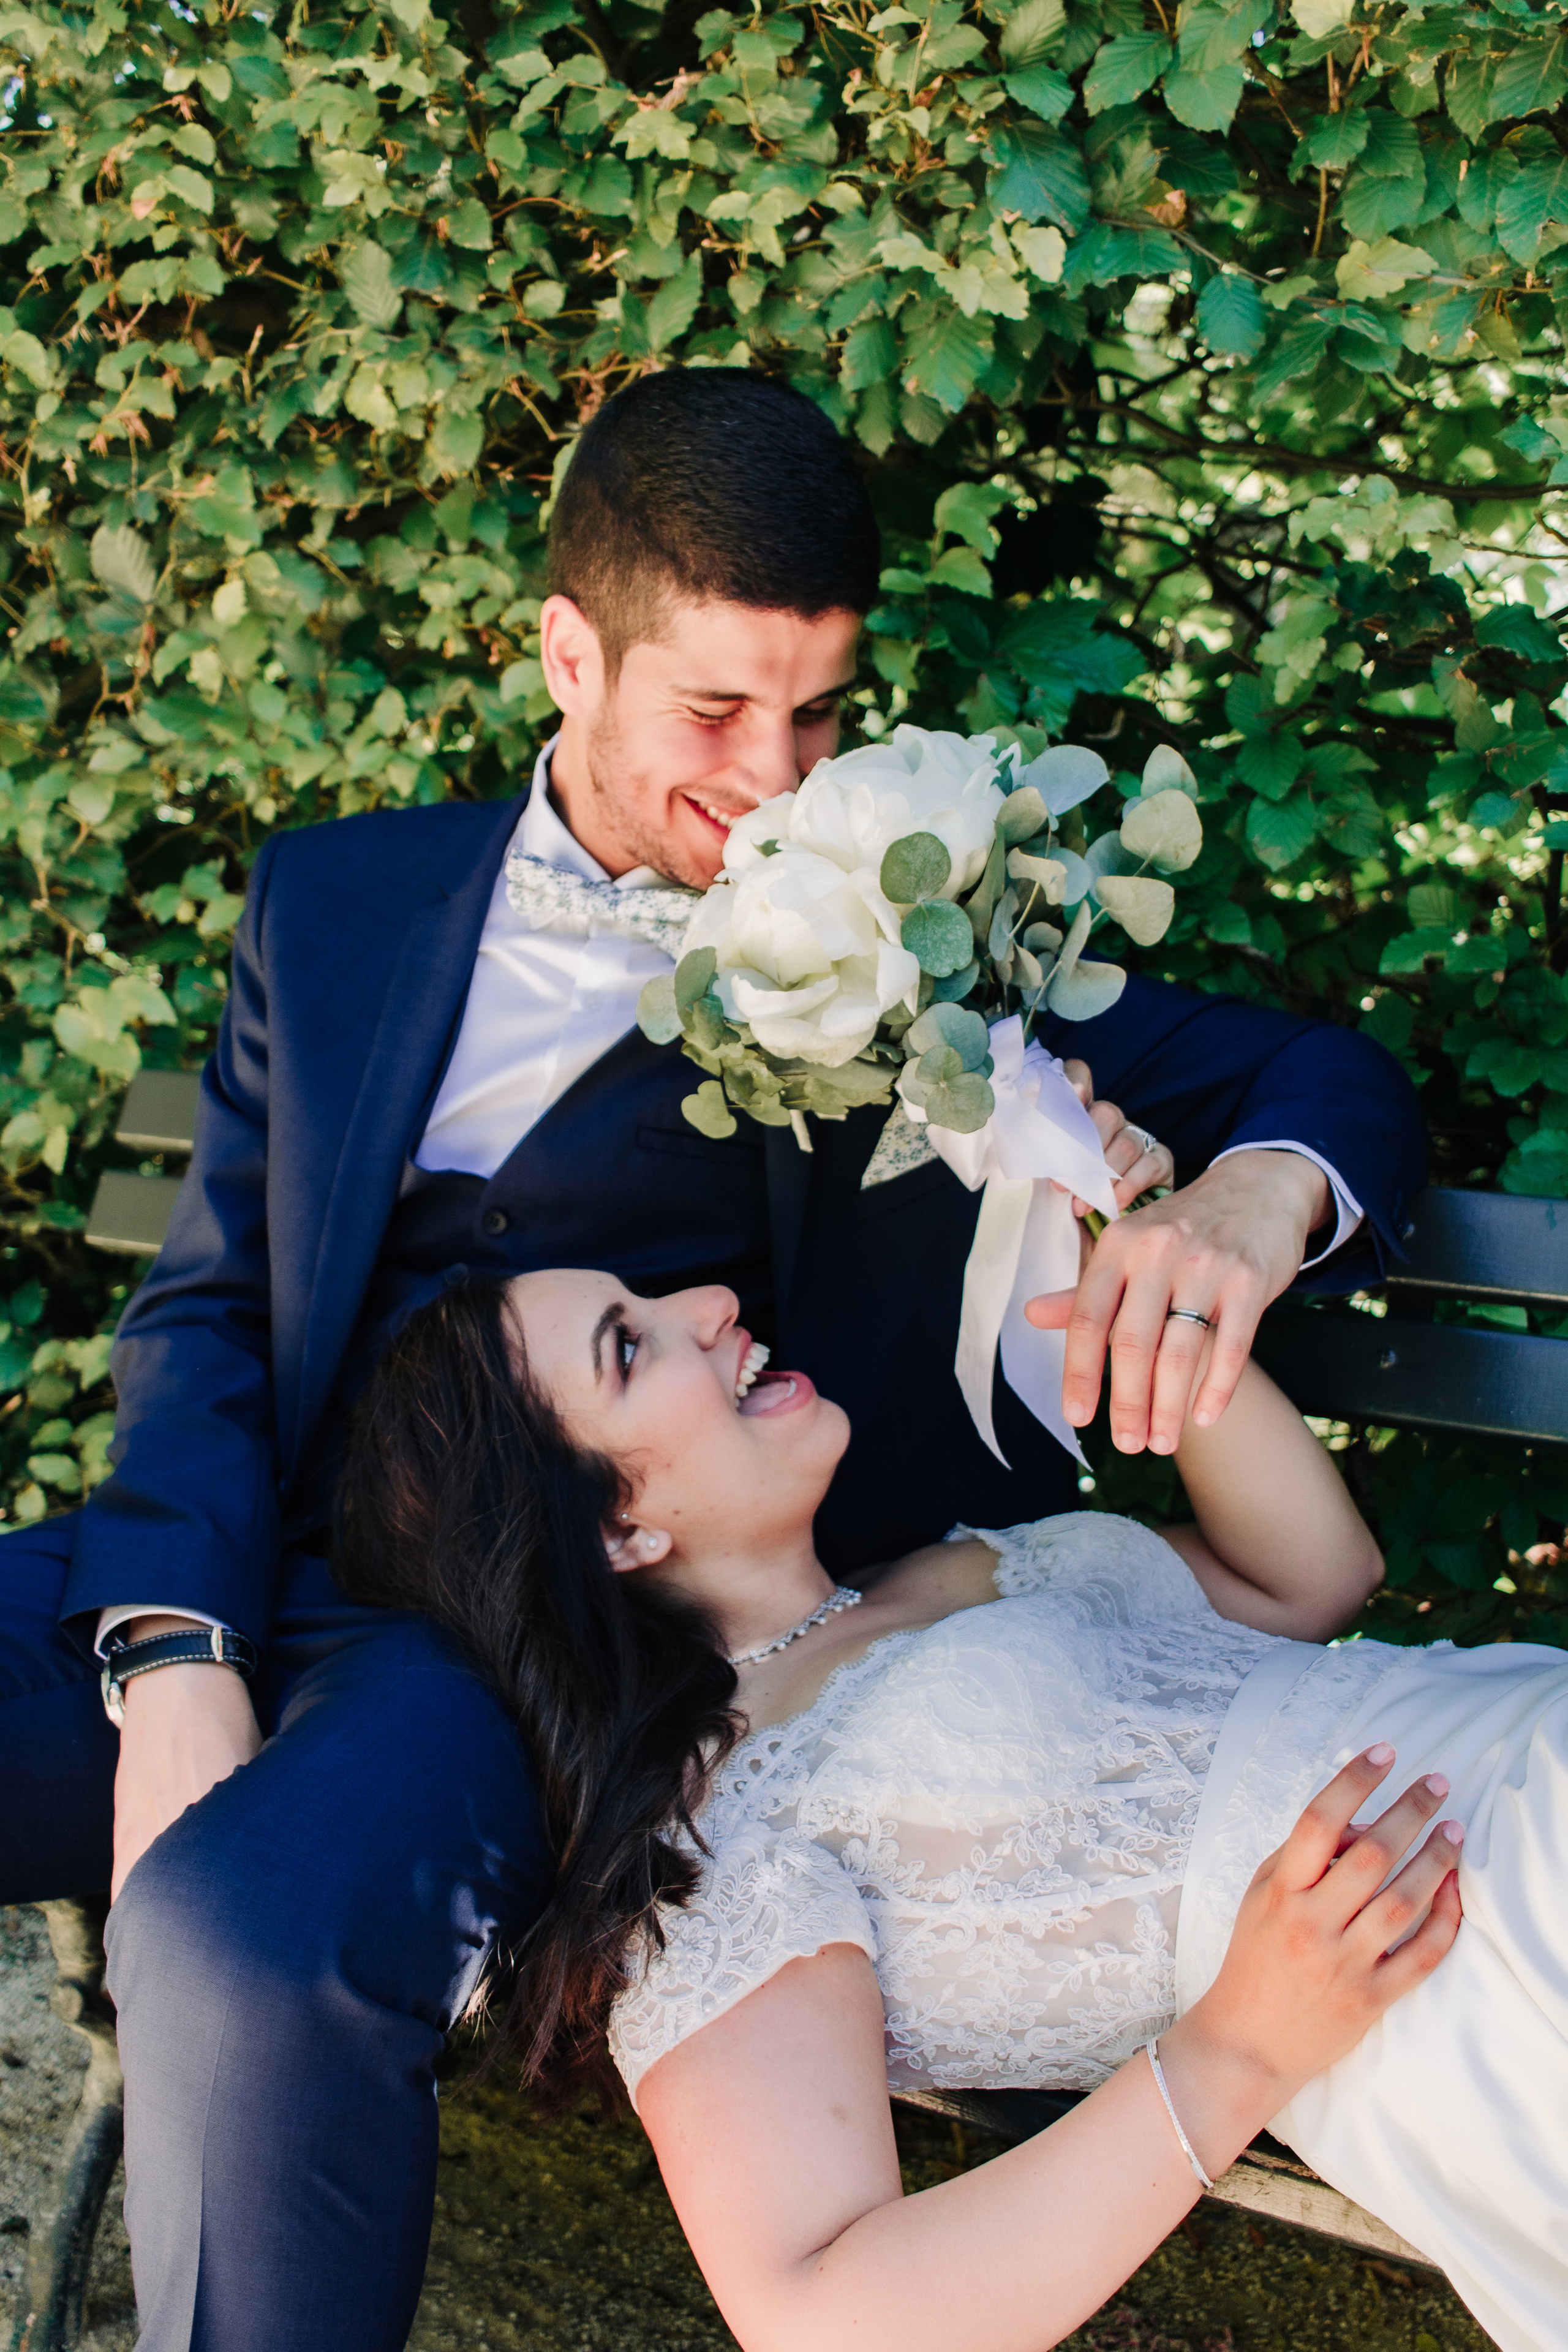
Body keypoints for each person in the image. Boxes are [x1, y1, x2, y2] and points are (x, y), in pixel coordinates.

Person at [0, 368, 1425, 2352]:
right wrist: (172, 1648)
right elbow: (217, 1308)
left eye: (819, 714)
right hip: (236, 1564)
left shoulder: (910, 939)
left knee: (244, 1940)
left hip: (522, 1634)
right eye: (715, 711)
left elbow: (1320, 1075)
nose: (775, 775)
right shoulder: (336, 903)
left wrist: (1254, 1201)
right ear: (569, 655)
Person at [339, 1266, 1568, 2352]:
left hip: (1501, 1730)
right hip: (1445, 1947)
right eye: (630, 1345)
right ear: (617, 1527)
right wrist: (1232, 2050)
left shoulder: (949, 1566)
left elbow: (1311, 1573)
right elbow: (814, 2315)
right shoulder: (716, 1839)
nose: (708, 1309)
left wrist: (1132, 1268)